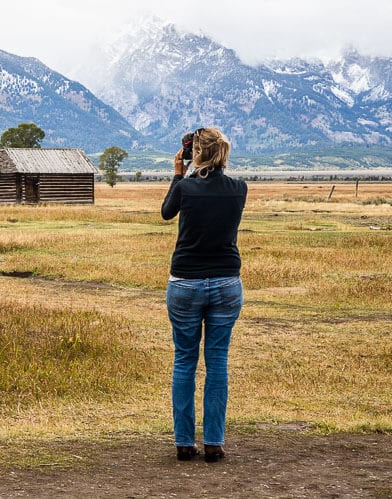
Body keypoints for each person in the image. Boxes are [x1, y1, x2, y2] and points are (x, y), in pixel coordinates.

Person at [161, 127, 248, 463]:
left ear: (195, 152)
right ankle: (214, 442)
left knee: (185, 360)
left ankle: (184, 443)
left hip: (185, 281)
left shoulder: (186, 186)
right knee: (217, 363)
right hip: (226, 281)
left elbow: (168, 212)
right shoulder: (239, 188)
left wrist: (178, 171)